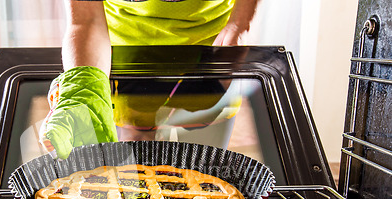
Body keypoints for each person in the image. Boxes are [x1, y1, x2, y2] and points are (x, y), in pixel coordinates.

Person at [40, 0, 259, 159]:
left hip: (211, 47)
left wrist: (239, 23)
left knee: (203, 168)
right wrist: (83, 90)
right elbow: (86, 20)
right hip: (121, 54)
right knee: (129, 172)